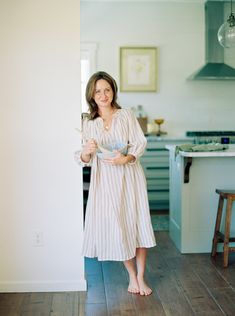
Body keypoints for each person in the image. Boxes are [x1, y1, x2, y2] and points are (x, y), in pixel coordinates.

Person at [75, 71, 156, 296]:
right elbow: (81, 158)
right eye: (98, 91)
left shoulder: (126, 115)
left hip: (130, 177)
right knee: (119, 228)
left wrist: (127, 158)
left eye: (107, 90)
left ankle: (141, 276)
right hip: (105, 182)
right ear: (91, 94)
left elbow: (140, 143)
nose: (103, 95)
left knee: (137, 225)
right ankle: (131, 275)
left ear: (113, 91)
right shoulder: (87, 123)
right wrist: (86, 152)